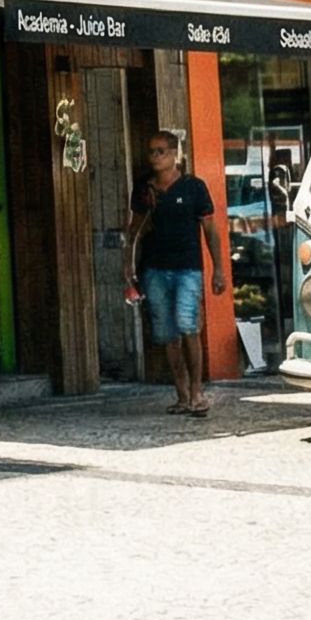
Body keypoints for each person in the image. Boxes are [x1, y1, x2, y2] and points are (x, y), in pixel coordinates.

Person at [127, 129, 224, 417]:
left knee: (188, 325)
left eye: (161, 151)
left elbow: (210, 229)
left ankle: (197, 391)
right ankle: (182, 394)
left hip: (187, 268)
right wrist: (128, 265)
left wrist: (218, 268)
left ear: (174, 154)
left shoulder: (193, 187)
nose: (155, 157)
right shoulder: (145, 190)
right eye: (151, 152)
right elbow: (134, 230)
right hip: (155, 268)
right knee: (167, 333)